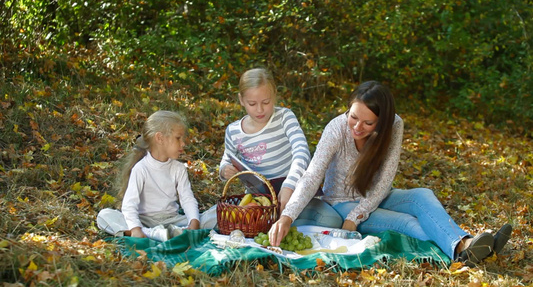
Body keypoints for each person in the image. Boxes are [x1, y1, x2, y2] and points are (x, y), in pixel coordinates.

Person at [268, 81, 512, 267]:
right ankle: (467, 248)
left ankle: (467, 245)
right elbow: (312, 175)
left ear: (382, 122)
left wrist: (358, 214)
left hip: (378, 195)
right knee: (407, 223)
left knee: (422, 196)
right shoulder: (336, 129)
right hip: (341, 201)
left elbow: (386, 178)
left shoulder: (395, 125)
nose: (356, 127)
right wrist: (287, 216)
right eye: (353, 117)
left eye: (367, 123)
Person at [218, 68, 343, 227]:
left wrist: (289, 186)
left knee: (332, 220)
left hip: (295, 193)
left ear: (274, 95)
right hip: (260, 201)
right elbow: (227, 158)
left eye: (266, 102)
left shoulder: (285, 117)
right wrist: (224, 169)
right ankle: (273, 227)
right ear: (241, 100)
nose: (260, 109)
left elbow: (302, 152)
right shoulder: (234, 131)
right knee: (219, 220)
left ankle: (283, 227)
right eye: (252, 104)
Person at [97, 110, 216, 242]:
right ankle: (150, 233)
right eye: (178, 138)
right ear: (159, 138)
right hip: (145, 221)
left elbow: (187, 198)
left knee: (216, 214)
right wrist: (136, 228)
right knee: (104, 215)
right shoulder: (141, 168)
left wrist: (194, 222)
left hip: (173, 220)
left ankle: (166, 233)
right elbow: (129, 204)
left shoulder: (179, 168)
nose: (183, 143)